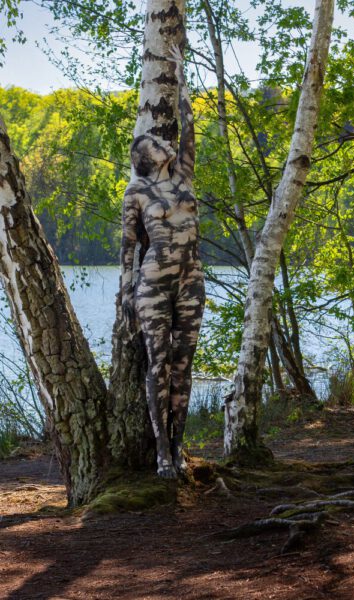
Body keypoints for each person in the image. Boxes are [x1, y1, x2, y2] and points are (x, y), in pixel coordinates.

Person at [120, 46, 205, 478]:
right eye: (156, 143)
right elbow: (128, 249)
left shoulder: (184, 175)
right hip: (153, 284)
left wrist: (183, 76)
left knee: (185, 364)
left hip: (191, 278)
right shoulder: (135, 193)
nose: (165, 142)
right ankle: (161, 455)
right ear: (145, 156)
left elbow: (191, 128)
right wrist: (124, 297)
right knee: (159, 363)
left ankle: (178, 443)